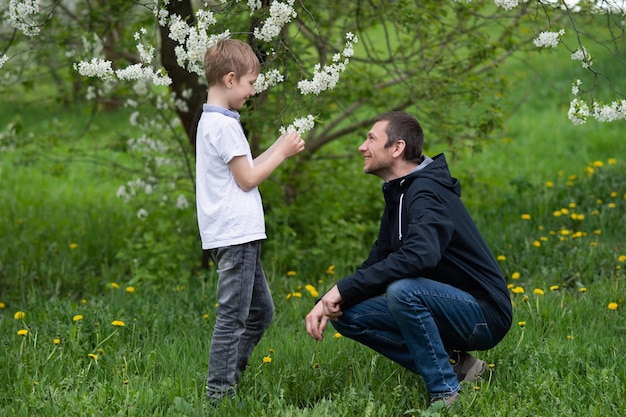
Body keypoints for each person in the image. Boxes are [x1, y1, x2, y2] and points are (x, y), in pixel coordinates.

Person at [305, 111, 512, 408]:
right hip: (446, 306)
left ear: (397, 148)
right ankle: (460, 367)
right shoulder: (399, 194)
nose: (362, 147)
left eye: (371, 139)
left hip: (483, 314)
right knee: (346, 312)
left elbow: (420, 256)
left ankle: (445, 394)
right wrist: (332, 296)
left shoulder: (425, 191)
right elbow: (378, 261)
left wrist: (343, 288)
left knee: (403, 291)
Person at [196, 38, 305, 402]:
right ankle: (220, 394)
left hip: (234, 234)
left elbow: (245, 167)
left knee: (260, 312)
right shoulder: (223, 127)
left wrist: (278, 146)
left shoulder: (216, 121)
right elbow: (248, 179)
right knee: (234, 317)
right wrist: (284, 155)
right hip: (235, 235)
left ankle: (229, 381)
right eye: (251, 84)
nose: (252, 91)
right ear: (230, 79)